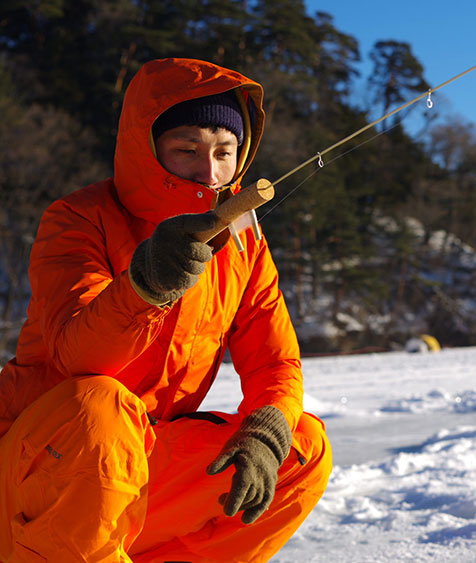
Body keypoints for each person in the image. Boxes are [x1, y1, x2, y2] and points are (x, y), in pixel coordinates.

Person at [0, 57, 331, 562]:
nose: (210, 170)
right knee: (101, 409)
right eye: (187, 149)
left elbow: (274, 362)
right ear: (145, 147)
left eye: (225, 152)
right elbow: (77, 357)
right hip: (33, 480)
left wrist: (266, 430)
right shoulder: (78, 218)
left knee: (300, 445)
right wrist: (145, 285)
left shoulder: (243, 242)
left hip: (138, 462)